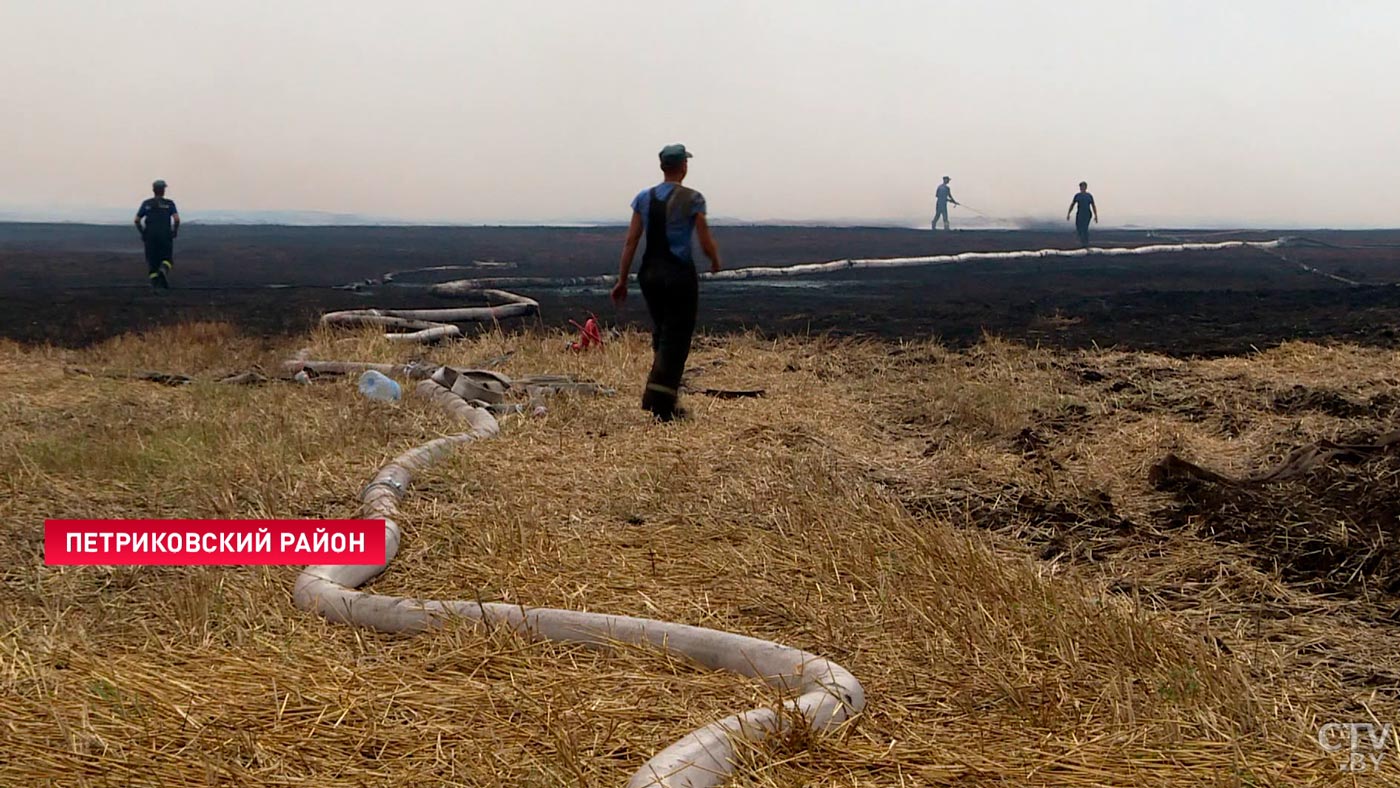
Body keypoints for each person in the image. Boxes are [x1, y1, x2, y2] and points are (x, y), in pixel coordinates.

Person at [611, 144, 722, 422]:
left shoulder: (643, 198)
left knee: (662, 333)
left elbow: (631, 241)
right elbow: (704, 238)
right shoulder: (693, 198)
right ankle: (660, 402)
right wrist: (714, 259)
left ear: (663, 167)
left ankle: (664, 396)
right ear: (683, 167)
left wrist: (622, 280)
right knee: (678, 337)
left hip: (649, 274)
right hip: (678, 275)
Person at [135, 180, 180, 288]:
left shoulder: (146, 204)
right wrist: (174, 231)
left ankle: (155, 285)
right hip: (165, 235)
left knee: (152, 262)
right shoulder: (169, 204)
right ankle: (163, 270)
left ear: (153, 190)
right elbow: (177, 219)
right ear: (163, 190)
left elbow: (137, 220)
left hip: (150, 236)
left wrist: (143, 233)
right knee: (167, 259)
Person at [1067, 181, 1097, 247]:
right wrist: (1069, 213)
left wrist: (1096, 216)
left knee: (1085, 228)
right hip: (1080, 214)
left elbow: (1093, 205)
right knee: (1079, 227)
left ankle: (1085, 242)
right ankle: (1082, 240)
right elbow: (1072, 204)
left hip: (1087, 214)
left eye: (1083, 187)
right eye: (1081, 187)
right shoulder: (1077, 196)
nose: (1082, 188)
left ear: (1085, 187)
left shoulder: (1089, 196)